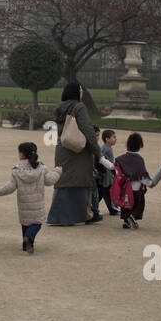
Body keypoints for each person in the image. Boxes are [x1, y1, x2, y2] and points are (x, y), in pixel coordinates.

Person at [46, 82, 100, 226]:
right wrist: (97, 150)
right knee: (78, 182)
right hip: (78, 150)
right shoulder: (79, 107)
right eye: (81, 91)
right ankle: (79, 214)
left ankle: (59, 216)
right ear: (77, 93)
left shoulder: (59, 108)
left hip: (63, 148)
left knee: (63, 181)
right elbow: (88, 130)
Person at [0, 142, 61, 253]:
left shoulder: (16, 170)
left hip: (23, 205)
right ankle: (29, 239)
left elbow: (9, 187)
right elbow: (49, 181)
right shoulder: (41, 168)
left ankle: (26, 244)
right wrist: (57, 171)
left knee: (25, 223)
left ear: (21, 154)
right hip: (37, 205)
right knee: (37, 223)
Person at [113, 133, 151, 230]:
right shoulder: (139, 159)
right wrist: (150, 183)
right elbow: (142, 175)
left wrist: (101, 159)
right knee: (139, 204)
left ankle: (126, 222)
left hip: (125, 188)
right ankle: (133, 217)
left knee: (126, 205)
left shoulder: (121, 159)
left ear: (128, 145)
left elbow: (113, 166)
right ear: (140, 146)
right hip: (136, 188)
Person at [98, 129, 119, 217]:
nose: (115, 139)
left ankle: (92, 207)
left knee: (101, 193)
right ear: (107, 139)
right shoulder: (106, 149)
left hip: (107, 175)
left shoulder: (106, 148)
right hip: (107, 176)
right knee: (108, 193)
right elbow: (102, 162)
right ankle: (113, 209)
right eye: (113, 137)